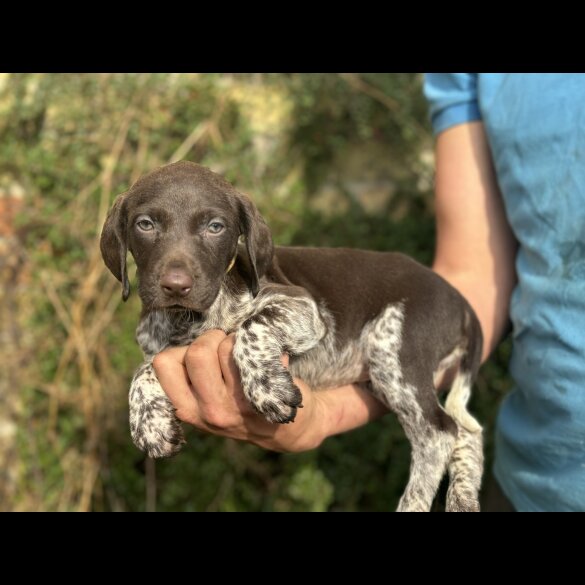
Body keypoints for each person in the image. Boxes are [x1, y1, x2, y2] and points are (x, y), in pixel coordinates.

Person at [153, 74, 585, 512]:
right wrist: (324, 416)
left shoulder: (261, 278)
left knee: (433, 422)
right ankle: (463, 489)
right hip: (534, 477)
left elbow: (305, 315)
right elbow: (472, 273)